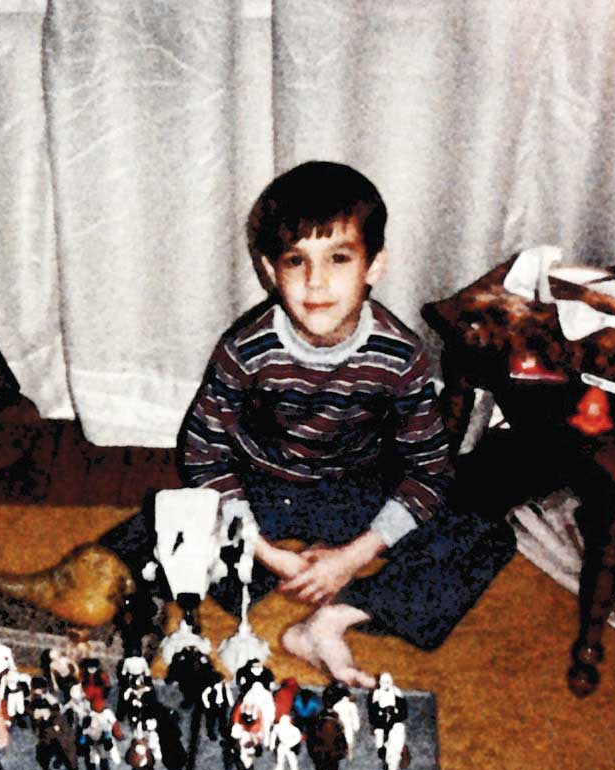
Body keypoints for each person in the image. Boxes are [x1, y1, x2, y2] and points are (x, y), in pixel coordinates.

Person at [104, 161, 511, 686]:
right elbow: (204, 451)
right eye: (298, 261)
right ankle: (155, 606)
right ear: (272, 272)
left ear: (374, 266)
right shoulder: (246, 350)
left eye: (339, 258)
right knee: (156, 526)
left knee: (486, 536)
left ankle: (333, 620)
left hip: (354, 487)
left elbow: (429, 470)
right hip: (262, 487)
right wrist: (262, 549)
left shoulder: (401, 354)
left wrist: (353, 557)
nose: (317, 282)